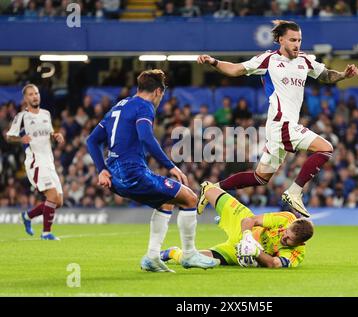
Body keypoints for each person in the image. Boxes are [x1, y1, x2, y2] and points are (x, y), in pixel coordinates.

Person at [196, 20, 358, 217]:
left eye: (299, 40)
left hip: (281, 127)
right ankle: (295, 192)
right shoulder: (268, 60)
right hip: (282, 123)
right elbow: (236, 69)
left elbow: (325, 75)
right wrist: (214, 62)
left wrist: (343, 74)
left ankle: (211, 188)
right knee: (326, 147)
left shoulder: (305, 61)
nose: (296, 44)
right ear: (281, 40)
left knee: (260, 177)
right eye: (292, 40)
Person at [86, 69, 219, 273]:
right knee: (190, 198)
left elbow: (92, 140)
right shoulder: (145, 106)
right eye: (162, 95)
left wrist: (102, 170)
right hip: (131, 172)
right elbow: (146, 137)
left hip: (114, 174)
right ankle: (190, 254)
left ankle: (152, 257)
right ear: (158, 91)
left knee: (165, 202)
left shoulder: (118, 106)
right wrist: (171, 166)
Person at [161, 181, 314, 268]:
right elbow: (250, 221)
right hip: (244, 226)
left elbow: (274, 264)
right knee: (210, 190)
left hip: (239, 252)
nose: (284, 238)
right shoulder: (286, 218)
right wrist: (248, 238)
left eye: (288, 240)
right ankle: (208, 191)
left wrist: (254, 251)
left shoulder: (297, 254)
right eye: (285, 233)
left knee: (193, 259)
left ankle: (172, 252)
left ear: (301, 243)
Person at [6, 84, 65, 240]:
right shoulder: (21, 117)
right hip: (36, 161)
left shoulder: (46, 114)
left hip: (49, 160)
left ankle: (27, 216)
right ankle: (46, 233)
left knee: (58, 201)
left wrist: (55, 136)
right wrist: (20, 138)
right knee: (52, 196)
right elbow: (9, 136)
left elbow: (49, 132)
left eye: (36, 93)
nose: (35, 96)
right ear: (26, 98)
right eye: (31, 94)